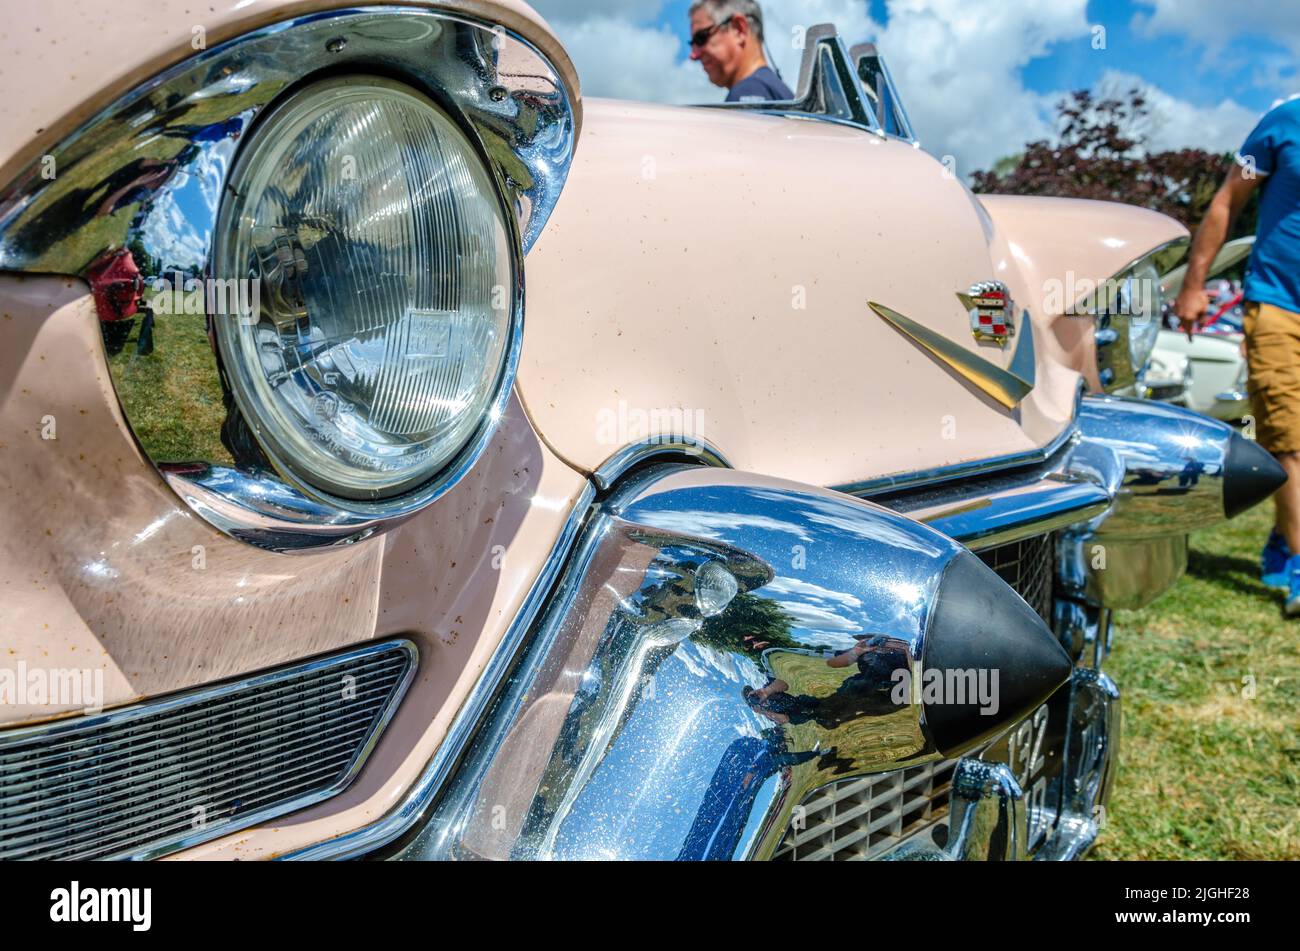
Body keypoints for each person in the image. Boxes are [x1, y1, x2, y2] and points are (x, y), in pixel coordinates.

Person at [1174, 96, 1300, 612]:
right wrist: (1194, 283)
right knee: (1288, 436)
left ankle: (1284, 540)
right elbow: (1228, 198)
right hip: (1277, 304)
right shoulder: (1283, 121)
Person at [688, 1, 793, 103]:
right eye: (692, 43)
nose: (693, 55)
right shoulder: (775, 91)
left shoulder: (749, 90)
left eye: (700, 38)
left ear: (738, 29)